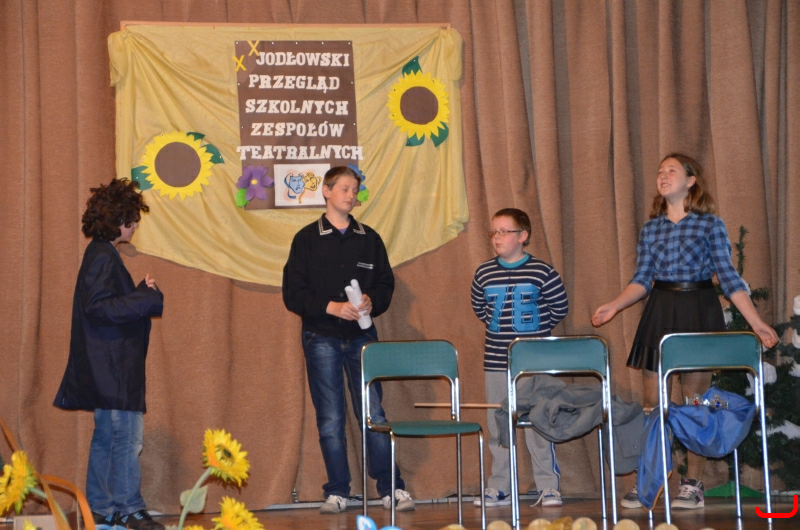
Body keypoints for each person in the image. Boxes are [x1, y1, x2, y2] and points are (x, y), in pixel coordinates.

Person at [591, 153, 779, 510]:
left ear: (691, 181)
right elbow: (642, 280)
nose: (663, 176)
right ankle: (650, 480)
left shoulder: (710, 225)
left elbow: (728, 277)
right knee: (654, 404)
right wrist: (615, 305)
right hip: (660, 310)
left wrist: (756, 323)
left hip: (698, 310)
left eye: (672, 171)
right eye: (660, 171)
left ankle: (693, 484)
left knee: (696, 402)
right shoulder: (651, 229)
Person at [282, 166, 414, 515]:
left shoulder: (369, 238)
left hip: (362, 338)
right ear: (326, 191)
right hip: (320, 337)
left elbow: (385, 285)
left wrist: (372, 300)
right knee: (330, 418)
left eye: (355, 190)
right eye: (344, 188)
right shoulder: (306, 239)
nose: (351, 195)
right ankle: (338, 491)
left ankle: (391, 488)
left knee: (374, 413)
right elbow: (293, 293)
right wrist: (331, 307)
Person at [54, 179, 165, 530]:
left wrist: (136, 294)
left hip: (109, 368)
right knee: (126, 438)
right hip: (112, 369)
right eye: (132, 218)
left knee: (108, 436)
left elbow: (104, 306)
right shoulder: (102, 256)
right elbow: (99, 308)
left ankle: (102, 509)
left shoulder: (101, 253)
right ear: (119, 219)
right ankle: (128, 507)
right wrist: (146, 298)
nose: (135, 225)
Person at [471, 208, 569, 508]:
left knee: (540, 422)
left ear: (523, 236)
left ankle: (548, 486)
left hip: (535, 363)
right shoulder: (483, 273)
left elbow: (559, 308)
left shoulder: (542, 272)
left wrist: (534, 339)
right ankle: (500, 486)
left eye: (504, 231)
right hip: (497, 361)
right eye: (494, 232)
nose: (497, 237)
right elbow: (480, 309)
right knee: (498, 424)